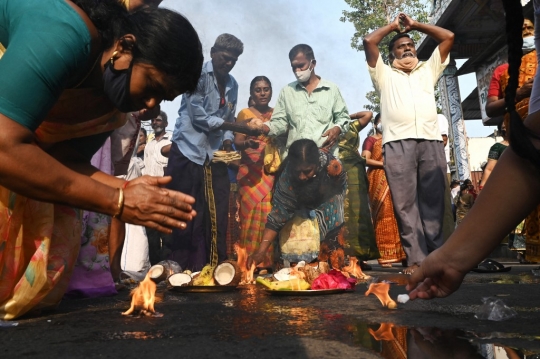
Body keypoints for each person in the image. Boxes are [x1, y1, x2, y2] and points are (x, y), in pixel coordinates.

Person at [0, 1, 204, 320]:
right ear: (124, 47)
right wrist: (118, 198)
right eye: (151, 87)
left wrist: (131, 191)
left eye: (162, 99)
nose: (150, 107)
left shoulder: (110, 108)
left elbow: (61, 160)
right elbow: (4, 147)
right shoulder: (64, 34)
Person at [407, 0, 540, 299]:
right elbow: (533, 154)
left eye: (531, 29)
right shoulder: (506, 71)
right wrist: (454, 258)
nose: (528, 34)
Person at [363, 13, 454, 274]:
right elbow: (369, 41)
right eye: (401, 46)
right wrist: (393, 26)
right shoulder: (383, 74)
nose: (407, 49)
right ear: (391, 53)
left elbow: (448, 37)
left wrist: (415, 25)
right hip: (397, 143)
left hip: (430, 141)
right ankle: (416, 260)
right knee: (405, 204)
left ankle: (435, 259)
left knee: (434, 201)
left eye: (411, 45)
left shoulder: (428, 69)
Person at [166, 34, 259, 271]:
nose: (228, 64)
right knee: (185, 209)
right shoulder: (197, 77)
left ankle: (206, 266)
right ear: (213, 52)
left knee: (214, 212)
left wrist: (228, 141)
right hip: (187, 150)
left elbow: (228, 117)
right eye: (225, 58)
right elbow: (200, 118)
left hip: (213, 155)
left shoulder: (233, 85)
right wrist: (236, 128)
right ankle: (178, 267)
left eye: (233, 61)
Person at [247, 139, 347, 269]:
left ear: (316, 165)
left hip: (328, 205)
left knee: (330, 265)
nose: (301, 177)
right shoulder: (286, 178)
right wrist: (261, 252)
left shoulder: (334, 167)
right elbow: (278, 215)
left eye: (307, 171)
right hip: (297, 209)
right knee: (293, 269)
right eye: (297, 171)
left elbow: (341, 190)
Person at [251, 44, 350, 157]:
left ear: (313, 63)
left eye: (301, 66)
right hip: (295, 159)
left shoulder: (331, 89)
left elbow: (343, 118)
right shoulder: (287, 91)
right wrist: (263, 127)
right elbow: (279, 123)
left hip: (325, 156)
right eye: (294, 67)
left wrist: (337, 129)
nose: (298, 71)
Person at [235, 76, 277, 268]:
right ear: (252, 93)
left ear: (271, 91)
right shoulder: (244, 113)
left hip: (269, 171)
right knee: (249, 216)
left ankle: (265, 262)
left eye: (266, 89)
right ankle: (248, 263)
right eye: (258, 90)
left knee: (268, 215)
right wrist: (248, 143)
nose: (262, 93)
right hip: (249, 173)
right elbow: (237, 142)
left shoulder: (276, 114)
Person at [362, 114, 406, 268]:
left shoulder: (394, 139)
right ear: (375, 125)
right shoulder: (371, 140)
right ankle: (384, 256)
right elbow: (364, 159)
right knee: (383, 214)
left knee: (399, 213)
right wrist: (384, 164)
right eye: (381, 122)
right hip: (378, 177)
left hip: (396, 177)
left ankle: (403, 254)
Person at [339, 110, 379, 269]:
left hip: (355, 171)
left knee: (359, 213)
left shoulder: (350, 126)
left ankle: (359, 258)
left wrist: (343, 117)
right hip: (335, 172)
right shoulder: (322, 127)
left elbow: (367, 114)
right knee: (340, 215)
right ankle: (341, 257)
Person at [142, 111, 173, 264]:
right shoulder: (149, 144)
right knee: (151, 231)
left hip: (165, 192)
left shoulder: (171, 141)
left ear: (166, 124)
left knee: (166, 231)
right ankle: (155, 267)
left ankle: (167, 266)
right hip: (149, 193)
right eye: (154, 120)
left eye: (159, 120)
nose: (155, 122)